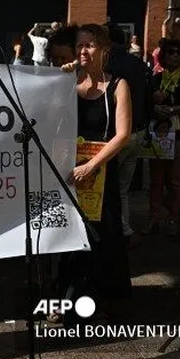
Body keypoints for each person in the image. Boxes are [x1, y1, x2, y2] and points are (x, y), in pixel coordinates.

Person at [61, 23, 133, 317]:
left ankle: (103, 295)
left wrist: (92, 165)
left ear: (104, 49)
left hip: (101, 169)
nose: (83, 51)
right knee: (69, 235)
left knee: (103, 235)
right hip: (69, 171)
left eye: (90, 45)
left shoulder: (118, 85)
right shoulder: (68, 82)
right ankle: (67, 294)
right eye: (79, 45)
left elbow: (123, 134)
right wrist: (61, 80)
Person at [143, 38, 180, 236]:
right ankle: (153, 218)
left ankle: (173, 219)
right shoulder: (156, 78)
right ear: (163, 56)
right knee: (156, 179)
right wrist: (154, 105)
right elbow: (146, 103)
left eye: (178, 52)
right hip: (158, 134)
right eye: (170, 52)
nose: (175, 56)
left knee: (175, 179)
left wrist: (171, 110)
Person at [105, 22, 151, 246]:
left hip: (118, 135)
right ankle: (124, 228)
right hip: (139, 131)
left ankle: (117, 230)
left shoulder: (110, 65)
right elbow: (148, 96)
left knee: (111, 187)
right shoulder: (138, 64)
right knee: (123, 187)